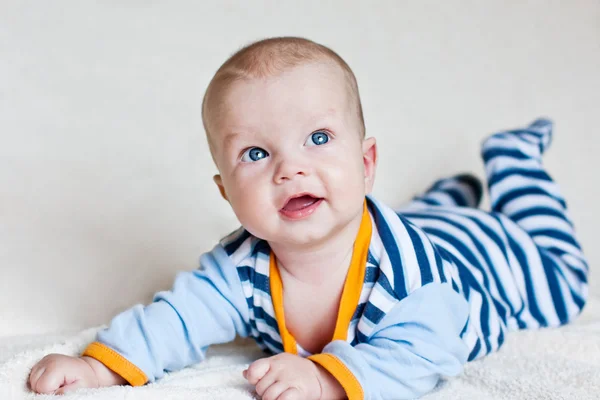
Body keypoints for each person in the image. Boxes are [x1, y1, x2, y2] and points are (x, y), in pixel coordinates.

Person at [28, 37, 589, 400]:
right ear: (226, 193)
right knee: (424, 214)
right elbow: (178, 318)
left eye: (318, 139)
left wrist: (324, 378)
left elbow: (424, 356)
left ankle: (514, 163)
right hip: (415, 220)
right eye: (255, 154)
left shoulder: (417, 282)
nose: (290, 169)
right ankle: (447, 195)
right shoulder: (240, 267)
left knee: (567, 283)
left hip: (484, 257)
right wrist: (104, 368)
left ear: (366, 163)